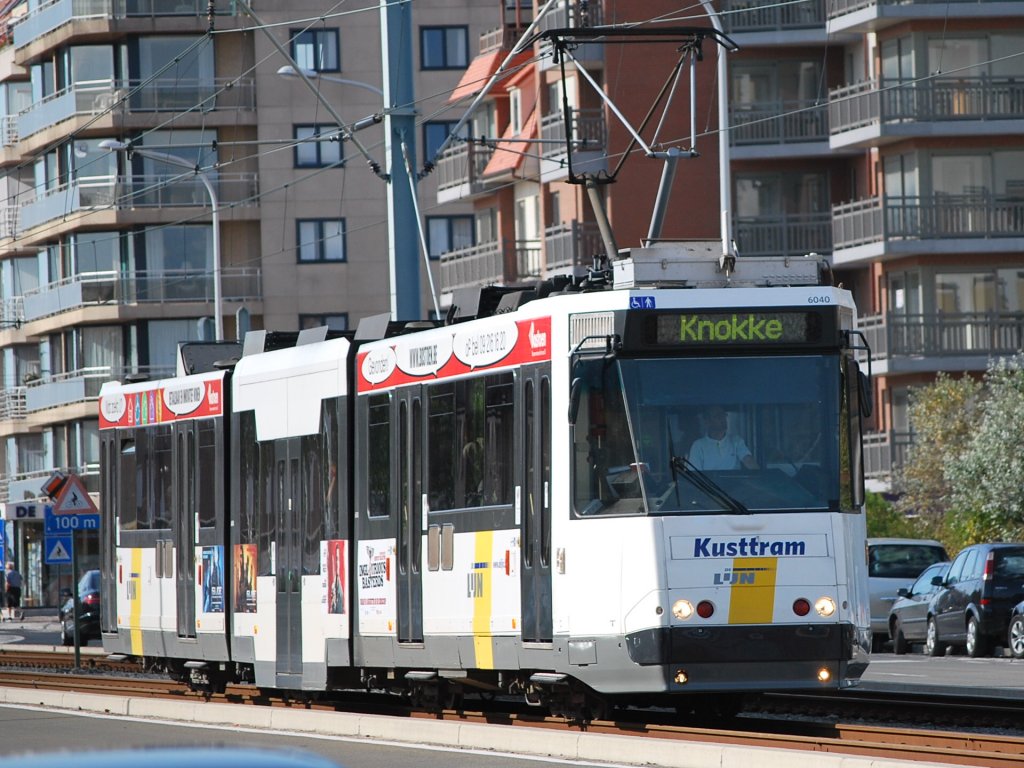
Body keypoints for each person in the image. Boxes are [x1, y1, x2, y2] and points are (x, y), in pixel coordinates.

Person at [688, 406, 758, 471]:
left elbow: (748, 460)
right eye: (718, 416)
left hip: (734, 484)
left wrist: (760, 475)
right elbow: (694, 473)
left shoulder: (736, 441)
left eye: (724, 415)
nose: (723, 419)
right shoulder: (698, 445)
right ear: (707, 422)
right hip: (707, 484)